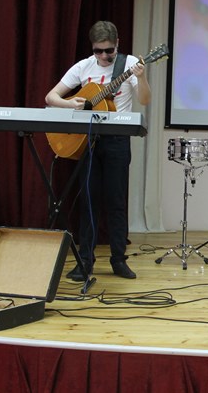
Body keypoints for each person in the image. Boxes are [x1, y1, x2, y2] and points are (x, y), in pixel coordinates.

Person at [45, 20, 151, 281]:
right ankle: (85, 260)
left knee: (116, 201)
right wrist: (72, 104)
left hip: (117, 139)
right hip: (89, 140)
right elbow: (51, 97)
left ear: (118, 44)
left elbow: (145, 100)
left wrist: (141, 77)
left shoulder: (128, 65)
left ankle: (118, 259)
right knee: (88, 201)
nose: (103, 56)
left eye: (109, 51)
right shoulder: (83, 66)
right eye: (98, 51)